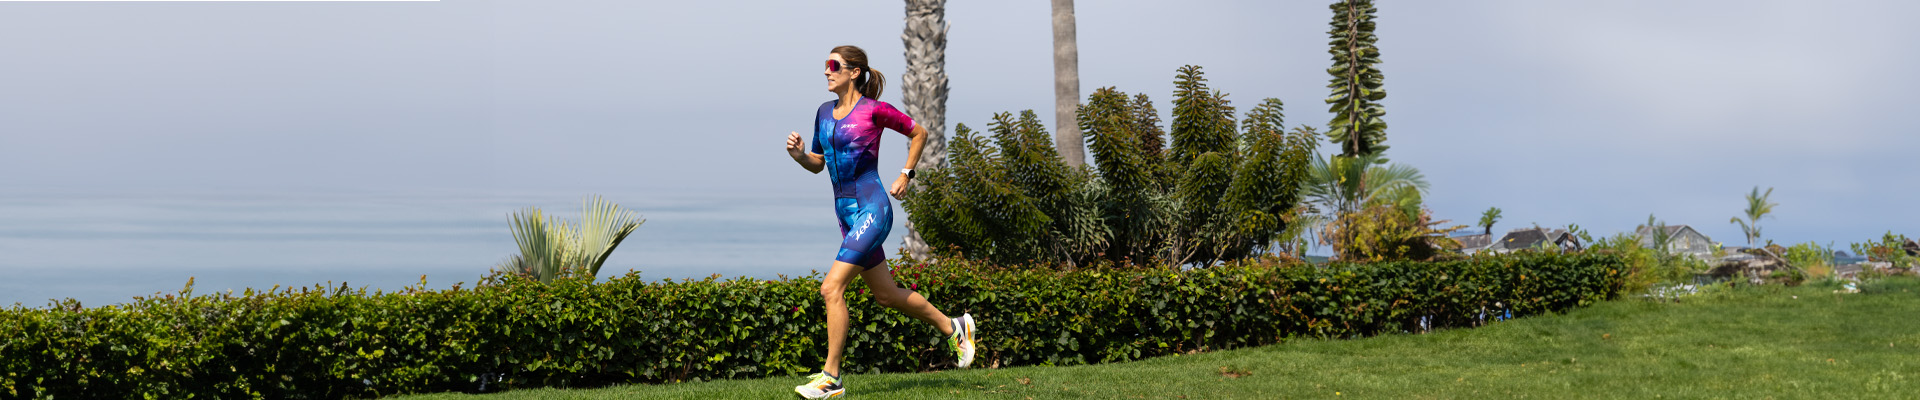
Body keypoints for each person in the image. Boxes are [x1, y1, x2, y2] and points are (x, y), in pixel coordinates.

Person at [782, 45, 976, 399]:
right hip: (846, 215)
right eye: (826, 65)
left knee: (831, 289)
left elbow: (919, 133)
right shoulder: (823, 113)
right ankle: (954, 327)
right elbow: (817, 162)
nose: (826, 71)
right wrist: (798, 156)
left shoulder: (874, 111)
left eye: (833, 65)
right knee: (886, 295)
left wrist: (906, 174)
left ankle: (831, 378)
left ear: (854, 71)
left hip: (873, 209)